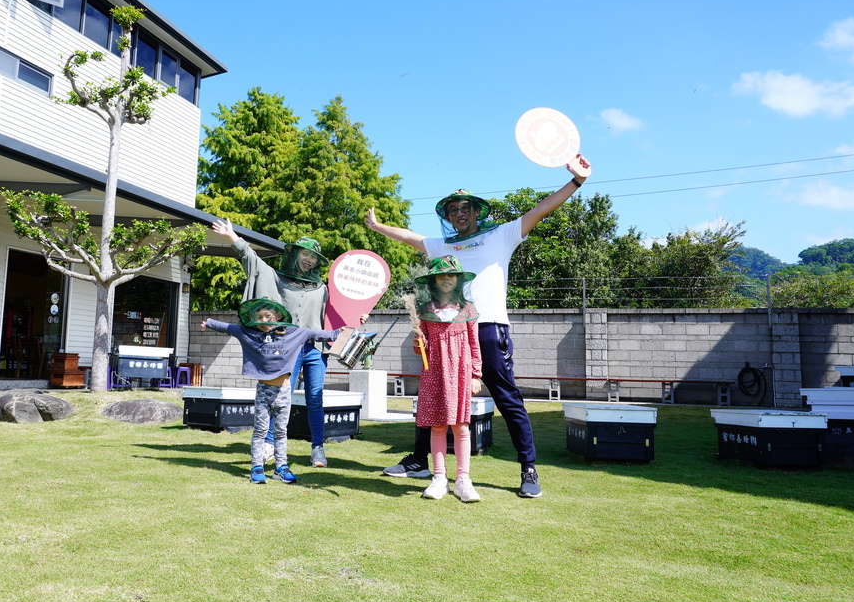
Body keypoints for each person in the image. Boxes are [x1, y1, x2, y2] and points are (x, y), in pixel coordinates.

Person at [364, 157, 591, 498]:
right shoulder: (443, 246)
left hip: (486, 329)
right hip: (443, 331)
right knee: (434, 395)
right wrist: (378, 226)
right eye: (452, 209)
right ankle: (419, 460)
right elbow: (410, 237)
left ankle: (528, 469)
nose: (459, 213)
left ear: (476, 212)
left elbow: (541, 210)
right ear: (448, 216)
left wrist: (576, 182)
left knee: (507, 398)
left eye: (465, 208)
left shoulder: (502, 235)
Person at [212, 219, 332, 468]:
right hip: (288, 350)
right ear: (296, 255)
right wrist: (233, 237)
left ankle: (317, 449)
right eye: (304, 254)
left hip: (315, 350)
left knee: (315, 399)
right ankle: (268, 446)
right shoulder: (277, 279)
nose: (308, 260)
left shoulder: (323, 288)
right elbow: (253, 262)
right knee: (279, 397)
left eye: (313, 256)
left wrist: (358, 318)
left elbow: (336, 316)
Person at [201, 298, 348, 484]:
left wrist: (338, 332)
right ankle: (256, 467)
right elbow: (229, 327)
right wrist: (209, 323)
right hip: (264, 391)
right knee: (260, 430)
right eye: (259, 317)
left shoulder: (293, 333)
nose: (263, 320)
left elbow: (316, 334)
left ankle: (281, 467)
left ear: (278, 316)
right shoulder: (250, 334)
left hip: (284, 392)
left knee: (281, 431)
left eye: (268, 316)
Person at [410, 256, 483, 502]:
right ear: (433, 281)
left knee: (461, 425)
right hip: (434, 373)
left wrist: (475, 374)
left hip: (461, 373)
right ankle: (439, 478)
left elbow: (475, 344)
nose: (446, 279)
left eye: (451, 275)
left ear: (458, 280)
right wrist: (419, 343)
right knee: (438, 425)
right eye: (441, 276)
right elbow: (421, 350)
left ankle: (463, 480)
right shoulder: (425, 310)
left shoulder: (468, 309)